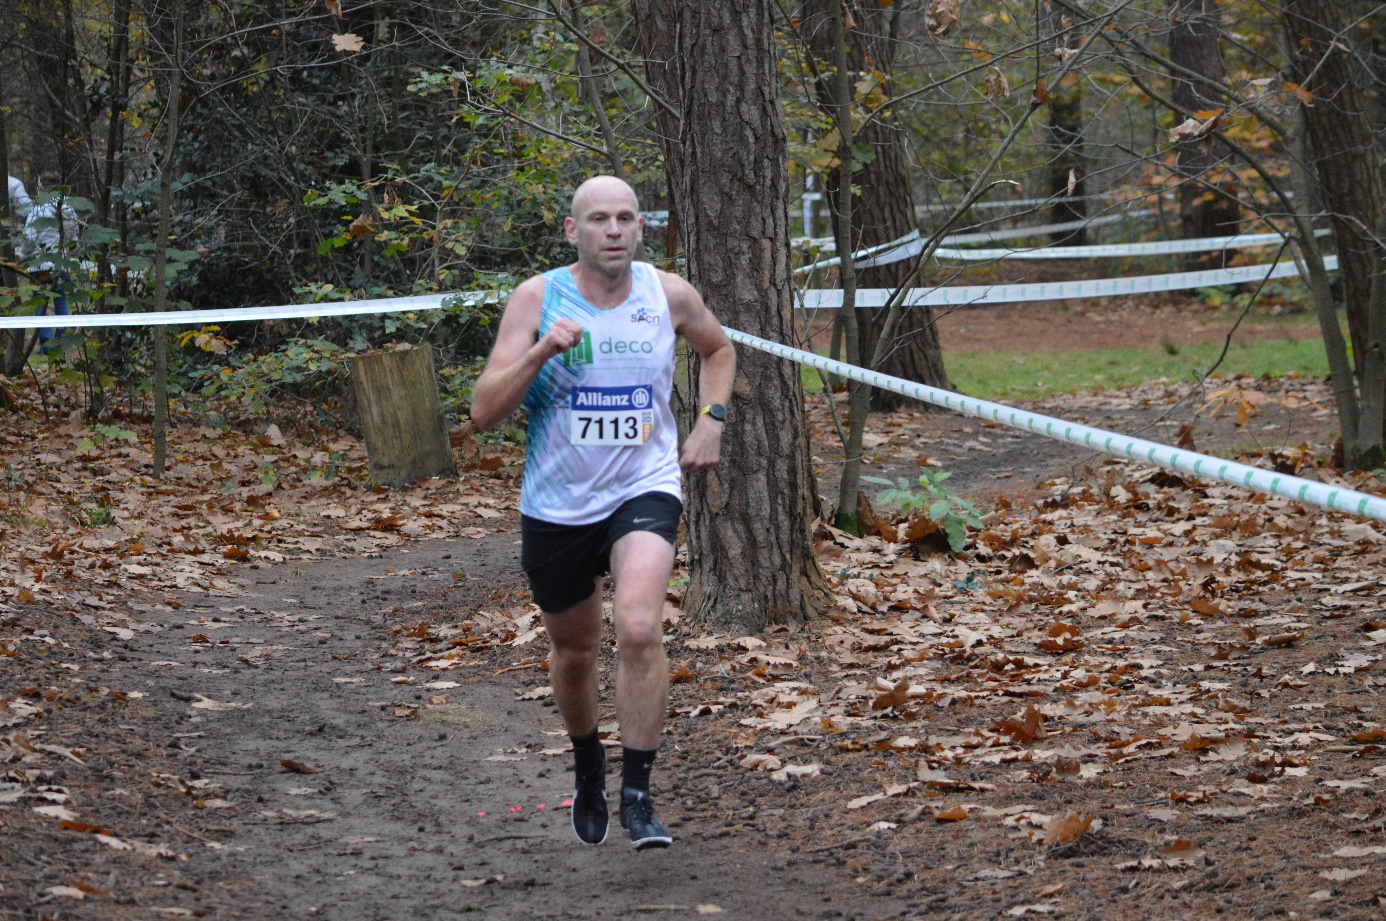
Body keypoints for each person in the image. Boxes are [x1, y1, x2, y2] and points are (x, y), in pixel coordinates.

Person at [470, 176, 735, 849]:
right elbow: (483, 411)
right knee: (576, 648)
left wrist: (712, 420)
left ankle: (638, 794)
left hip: (642, 485)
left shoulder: (666, 293)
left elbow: (719, 350)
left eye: (624, 218)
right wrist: (541, 351)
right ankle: (589, 758)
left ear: (640, 227)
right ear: (573, 230)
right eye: (598, 220)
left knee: (640, 626)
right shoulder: (538, 297)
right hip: (557, 501)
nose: (612, 230)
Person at [20, 172, 80, 351]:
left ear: (41, 187)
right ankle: (61, 341)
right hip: (61, 263)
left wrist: (23, 255)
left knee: (39, 301)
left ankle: (46, 342)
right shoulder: (69, 208)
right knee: (60, 299)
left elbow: (29, 237)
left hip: (40, 263)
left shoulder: (39, 209)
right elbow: (74, 237)